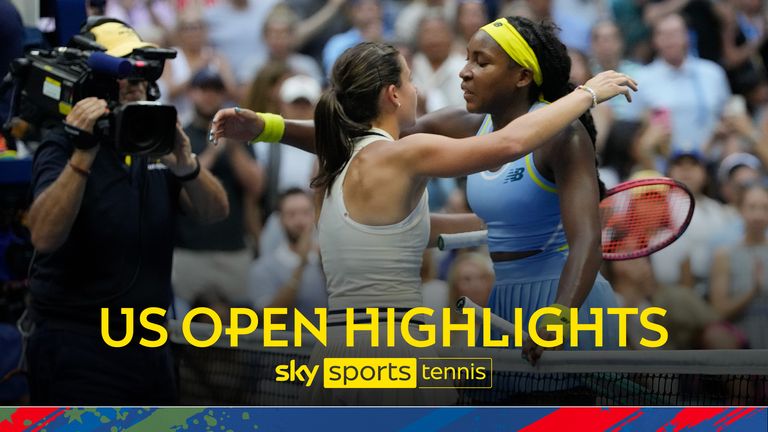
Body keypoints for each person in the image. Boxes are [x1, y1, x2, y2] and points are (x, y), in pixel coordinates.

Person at [213, 31, 635, 384]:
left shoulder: (345, 158)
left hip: (336, 352)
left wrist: (267, 126)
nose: (460, 73)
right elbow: (509, 143)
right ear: (393, 94)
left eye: (480, 61)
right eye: (411, 80)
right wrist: (587, 94)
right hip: (392, 350)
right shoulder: (405, 153)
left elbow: (416, 229)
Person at [24, 18, 229, 405]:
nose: (135, 84)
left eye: (141, 74)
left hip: (150, 344)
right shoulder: (62, 144)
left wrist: (186, 165)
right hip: (78, 346)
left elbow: (214, 212)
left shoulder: (153, 141)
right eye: (123, 73)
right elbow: (44, 236)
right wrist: (83, 155)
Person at [173, 68, 263, 308]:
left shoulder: (240, 139)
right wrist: (212, 153)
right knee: (187, 326)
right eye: (203, 89)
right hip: (189, 249)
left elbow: (256, 186)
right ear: (191, 93)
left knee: (238, 326)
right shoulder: (181, 137)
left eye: (216, 90)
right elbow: (179, 185)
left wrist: (233, 147)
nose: (209, 96)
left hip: (232, 248)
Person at [248, 188, 326, 326]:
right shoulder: (263, 268)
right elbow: (271, 319)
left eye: (306, 213)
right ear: (280, 219)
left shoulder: (328, 259)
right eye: (291, 214)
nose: (299, 221)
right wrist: (301, 263)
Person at [709, 183, 768, 349]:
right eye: (752, 207)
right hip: (740, 336)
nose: (759, 215)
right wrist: (752, 292)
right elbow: (719, 311)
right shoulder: (724, 255)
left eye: (765, 208)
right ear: (741, 210)